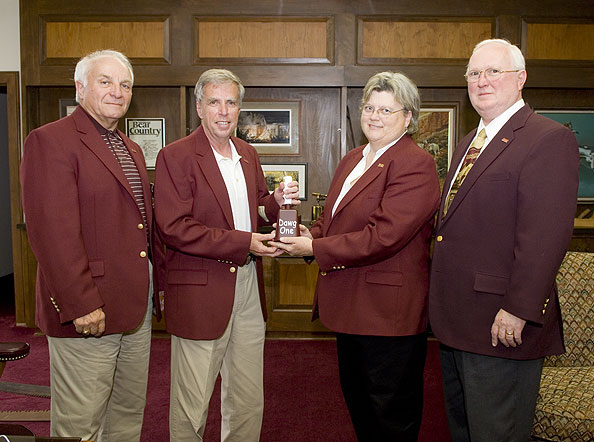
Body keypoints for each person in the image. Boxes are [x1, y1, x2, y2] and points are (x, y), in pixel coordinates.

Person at [272, 71, 440, 441]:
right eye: (369, 107)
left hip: (387, 315)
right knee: (361, 408)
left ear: (407, 117)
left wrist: (314, 249)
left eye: (386, 110)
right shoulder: (353, 159)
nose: (374, 116)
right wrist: (309, 234)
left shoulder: (415, 163)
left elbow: (384, 236)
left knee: (390, 418)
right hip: (350, 308)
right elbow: (333, 219)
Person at [428, 39, 580, 442]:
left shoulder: (547, 139)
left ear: (520, 78)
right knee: (464, 431)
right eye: (474, 73)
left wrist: (518, 309)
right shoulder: (467, 144)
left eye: (494, 71)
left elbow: (545, 237)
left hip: (503, 324)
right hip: (457, 321)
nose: (482, 81)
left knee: (498, 433)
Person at [20, 50, 162, 441]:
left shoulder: (130, 148)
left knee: (126, 415)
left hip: (134, 310)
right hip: (88, 310)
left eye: (125, 84)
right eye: (106, 81)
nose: (118, 91)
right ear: (80, 87)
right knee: (81, 425)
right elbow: (52, 234)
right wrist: (81, 303)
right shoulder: (50, 141)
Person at [153, 68, 299, 442]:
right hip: (201, 289)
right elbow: (174, 227)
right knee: (192, 404)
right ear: (199, 106)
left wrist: (276, 204)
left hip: (249, 285)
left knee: (248, 397)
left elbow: (258, 205)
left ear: (239, 108)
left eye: (231, 102)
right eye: (214, 101)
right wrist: (243, 242)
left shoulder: (247, 153)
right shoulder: (176, 156)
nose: (223, 110)